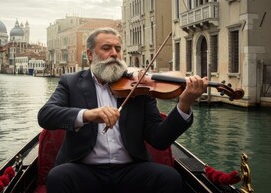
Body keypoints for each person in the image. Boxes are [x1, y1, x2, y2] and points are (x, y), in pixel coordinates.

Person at [38, 27, 207, 193]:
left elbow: (159, 140)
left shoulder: (139, 86)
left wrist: (184, 105)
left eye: (118, 49)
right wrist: (89, 115)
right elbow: (46, 115)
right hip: (84, 169)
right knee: (57, 177)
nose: (114, 53)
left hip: (130, 170)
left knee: (169, 177)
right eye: (106, 48)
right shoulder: (70, 82)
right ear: (90, 55)